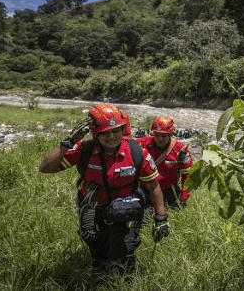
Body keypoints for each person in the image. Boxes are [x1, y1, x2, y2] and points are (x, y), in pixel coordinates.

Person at [39, 103, 169, 274]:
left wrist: (161, 218)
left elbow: (153, 187)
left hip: (125, 212)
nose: (111, 137)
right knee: (98, 253)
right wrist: (67, 143)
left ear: (123, 130)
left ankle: (123, 282)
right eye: (105, 133)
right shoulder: (84, 151)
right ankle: (100, 275)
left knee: (124, 254)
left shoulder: (137, 153)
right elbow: (45, 168)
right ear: (96, 134)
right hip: (93, 211)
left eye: (116, 131)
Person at [136, 116, 193, 218]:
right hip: (146, 191)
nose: (160, 139)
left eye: (163, 136)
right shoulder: (141, 145)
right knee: (144, 219)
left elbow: (187, 175)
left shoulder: (180, 150)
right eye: (157, 135)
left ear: (171, 134)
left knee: (173, 219)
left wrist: (183, 197)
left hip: (169, 192)